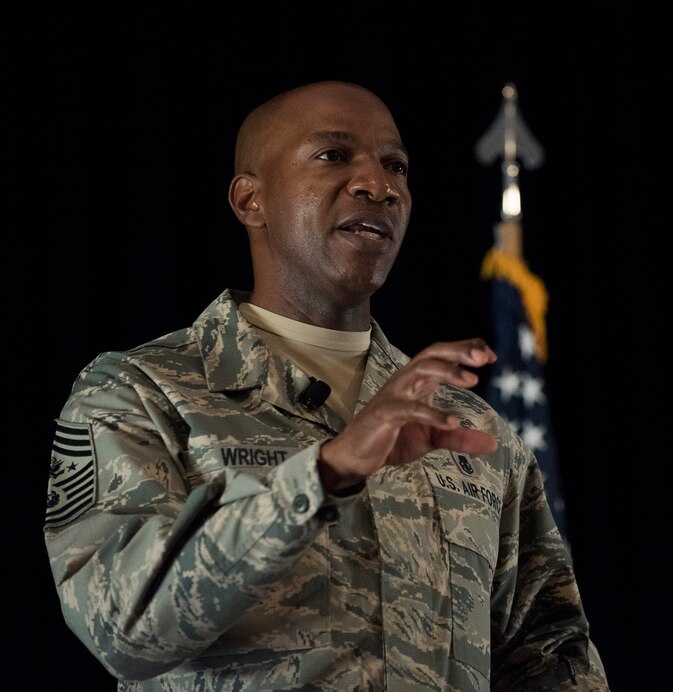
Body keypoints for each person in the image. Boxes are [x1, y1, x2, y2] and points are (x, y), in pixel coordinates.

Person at [43, 80, 609, 691]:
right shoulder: (139, 394)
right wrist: (324, 475)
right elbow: (120, 628)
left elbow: (550, 657)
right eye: (333, 156)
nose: (380, 184)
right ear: (249, 200)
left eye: (396, 166)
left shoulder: (468, 429)